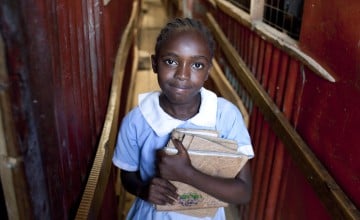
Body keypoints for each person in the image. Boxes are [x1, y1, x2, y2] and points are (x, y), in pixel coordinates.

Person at [112, 17, 254, 220]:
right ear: (154, 63)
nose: (182, 74)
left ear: (208, 72)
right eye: (171, 61)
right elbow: (127, 176)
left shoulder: (225, 116)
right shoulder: (136, 121)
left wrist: (186, 173)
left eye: (197, 65)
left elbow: (243, 191)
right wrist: (143, 190)